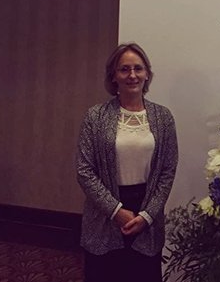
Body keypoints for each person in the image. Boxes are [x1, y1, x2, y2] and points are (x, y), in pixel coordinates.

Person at [76, 43, 178, 282]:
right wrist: (116, 211)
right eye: (124, 69)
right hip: (104, 212)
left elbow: (168, 170)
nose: (132, 75)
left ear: (147, 74)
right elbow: (84, 170)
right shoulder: (95, 116)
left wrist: (148, 215)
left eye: (138, 68)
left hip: (146, 211)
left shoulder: (163, 117)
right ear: (114, 76)